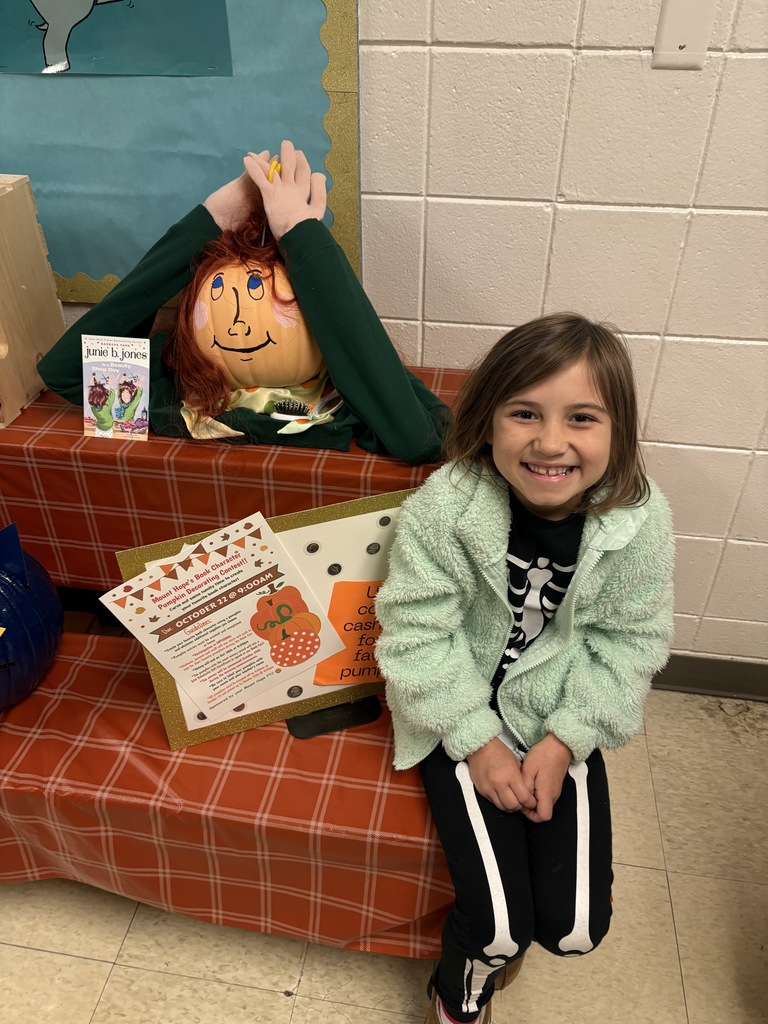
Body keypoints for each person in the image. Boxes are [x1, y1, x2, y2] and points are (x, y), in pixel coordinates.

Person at [374, 313, 675, 1024]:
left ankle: (495, 945)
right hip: (457, 710)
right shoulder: (448, 506)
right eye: (524, 414)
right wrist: (474, 739)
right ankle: (459, 989)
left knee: (575, 932)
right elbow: (414, 632)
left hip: (558, 712)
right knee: (499, 929)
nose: (549, 442)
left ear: (617, 433)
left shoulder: (640, 519)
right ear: (488, 421)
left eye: (581, 418)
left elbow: (630, 644)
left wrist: (566, 738)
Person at [37, 142, 448, 465]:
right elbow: (66, 371)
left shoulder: (344, 403)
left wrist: (303, 237)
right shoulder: (178, 397)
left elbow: (422, 437)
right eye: (215, 299)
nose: (235, 325)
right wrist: (208, 223)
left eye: (258, 297)